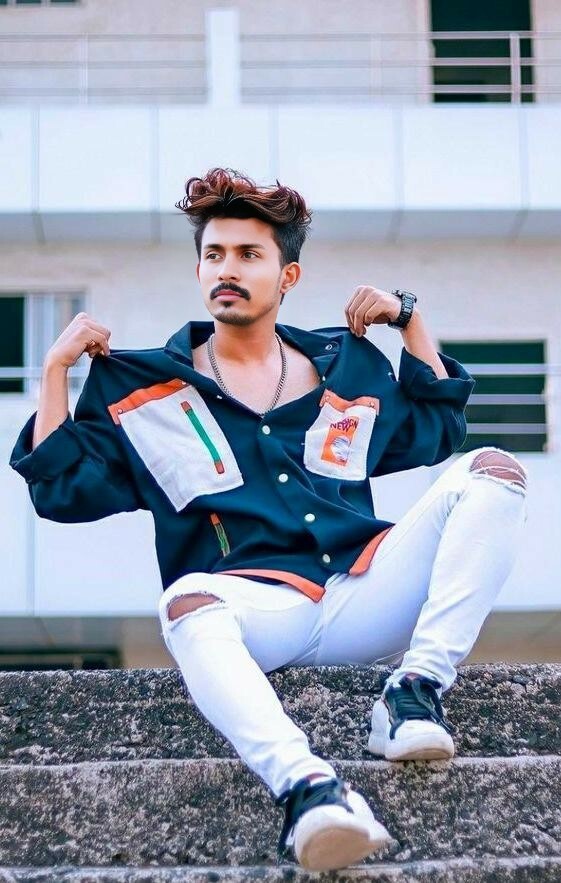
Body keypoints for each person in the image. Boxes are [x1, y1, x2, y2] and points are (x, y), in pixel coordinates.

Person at [9, 167, 529, 872]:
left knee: (493, 469)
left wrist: (408, 319)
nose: (227, 269)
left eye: (248, 254)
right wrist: (54, 372)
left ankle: (414, 692)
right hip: (255, 611)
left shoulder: (346, 364)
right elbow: (63, 491)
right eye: (214, 254)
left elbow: (438, 430)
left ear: (287, 276)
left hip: (365, 591)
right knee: (183, 601)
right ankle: (310, 790)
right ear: (199, 269)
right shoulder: (143, 390)